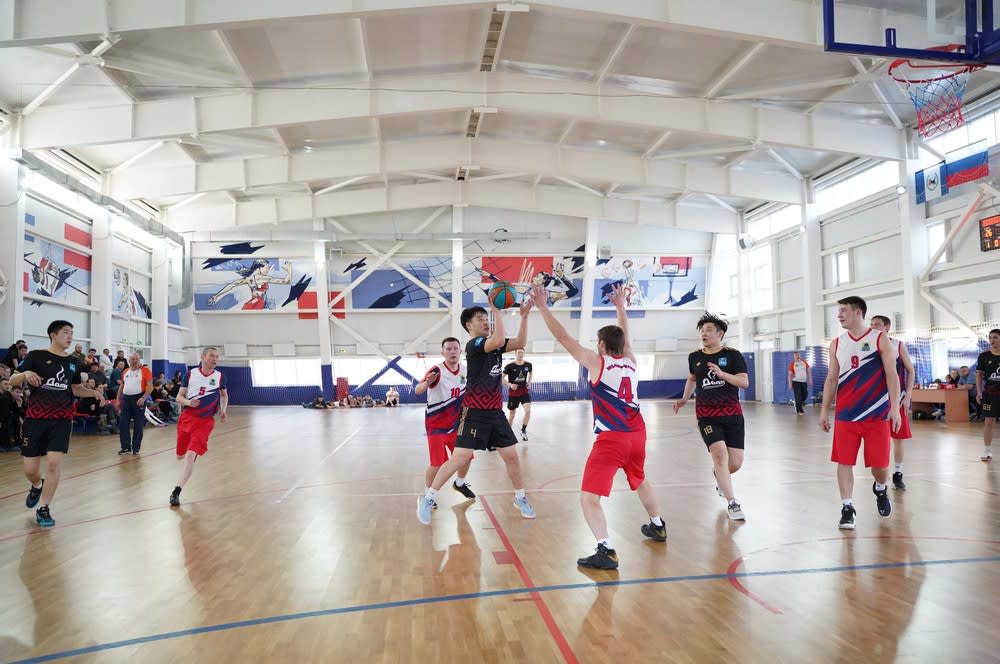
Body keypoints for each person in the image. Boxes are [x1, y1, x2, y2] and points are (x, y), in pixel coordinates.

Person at [531, 284, 666, 570]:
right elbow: (626, 338)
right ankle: (657, 525)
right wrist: (621, 308)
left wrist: (543, 306)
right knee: (640, 479)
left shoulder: (597, 363)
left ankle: (606, 550)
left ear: (602, 345)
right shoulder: (631, 362)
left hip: (612, 439)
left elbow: (563, 337)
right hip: (638, 434)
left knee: (589, 498)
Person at [416, 298, 535, 524]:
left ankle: (520, 497)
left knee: (512, 457)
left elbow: (520, 341)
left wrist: (524, 316)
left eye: (486, 318)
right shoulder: (475, 345)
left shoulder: (495, 345)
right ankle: (429, 498)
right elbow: (497, 339)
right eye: (481, 319)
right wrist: (496, 311)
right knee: (458, 459)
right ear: (469, 325)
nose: (486, 322)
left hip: (495, 413)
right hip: (474, 413)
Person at [9, 320, 106, 527]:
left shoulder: (73, 362)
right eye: (65, 332)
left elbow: (75, 388)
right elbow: (12, 380)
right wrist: (26, 374)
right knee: (30, 470)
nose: (70, 336)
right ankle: (37, 485)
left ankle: (44, 508)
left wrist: (93, 393)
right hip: (35, 419)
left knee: (53, 463)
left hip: (62, 419)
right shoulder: (36, 356)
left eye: (71, 332)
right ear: (53, 335)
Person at [819, 296, 901, 530]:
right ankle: (847, 508)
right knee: (844, 462)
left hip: (877, 414)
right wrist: (824, 411)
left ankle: (881, 488)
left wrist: (895, 408)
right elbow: (831, 379)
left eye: (843, 310)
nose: (839, 315)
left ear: (857, 312)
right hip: (846, 415)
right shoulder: (837, 343)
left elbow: (892, 375)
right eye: (839, 311)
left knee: (880, 467)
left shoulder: (879, 339)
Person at [674, 313, 750, 520]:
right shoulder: (695, 357)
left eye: (708, 330)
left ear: (720, 333)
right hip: (707, 415)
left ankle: (719, 475)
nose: (703, 333)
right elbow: (692, 379)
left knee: (735, 463)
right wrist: (684, 398)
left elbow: (744, 383)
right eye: (702, 330)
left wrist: (723, 374)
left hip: (733, 415)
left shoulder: (733, 356)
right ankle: (733, 503)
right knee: (719, 454)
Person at [414, 337, 475, 504]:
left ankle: (459, 483)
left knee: (466, 457)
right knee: (437, 463)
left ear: (460, 351)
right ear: (443, 353)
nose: (452, 351)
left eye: (455, 348)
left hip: (458, 424)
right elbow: (418, 390)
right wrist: (427, 383)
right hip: (436, 426)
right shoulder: (437, 370)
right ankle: (428, 495)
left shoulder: (466, 371)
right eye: (448, 349)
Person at [170, 347, 228, 506]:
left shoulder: (220, 377)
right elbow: (179, 397)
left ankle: (176, 492)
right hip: (187, 419)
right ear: (203, 357)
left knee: (189, 456)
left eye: (217, 357)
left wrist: (223, 409)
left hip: (205, 422)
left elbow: (224, 395)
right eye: (212, 356)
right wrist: (188, 402)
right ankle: (189, 454)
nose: (215, 359)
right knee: (180, 456)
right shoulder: (190, 374)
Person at [870, 315, 914, 491]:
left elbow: (910, 370)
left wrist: (908, 394)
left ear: (887, 327)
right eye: (871, 324)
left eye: (877, 324)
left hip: (896, 399)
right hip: (875, 401)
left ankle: (898, 473)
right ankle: (881, 476)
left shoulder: (897, 345)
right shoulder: (866, 345)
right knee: (878, 440)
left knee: (898, 438)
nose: (873, 327)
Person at [116, 352, 153, 455]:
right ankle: (125, 447)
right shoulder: (125, 371)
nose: (135, 361)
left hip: (139, 399)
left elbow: (150, 386)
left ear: (139, 360)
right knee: (123, 423)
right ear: (129, 361)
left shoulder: (145, 371)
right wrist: (118, 399)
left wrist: (143, 397)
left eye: (137, 359)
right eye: (132, 359)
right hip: (126, 399)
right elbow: (122, 386)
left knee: (138, 424)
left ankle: (136, 448)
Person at [976, 328, 1000, 461]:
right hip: (991, 394)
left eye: (995, 337)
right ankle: (987, 450)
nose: (992, 340)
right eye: (990, 337)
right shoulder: (984, 356)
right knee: (989, 421)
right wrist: (979, 391)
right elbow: (979, 374)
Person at [503, 349, 533, 440]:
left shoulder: (528, 365)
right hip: (513, 393)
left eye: (522, 353)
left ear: (524, 354)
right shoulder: (510, 366)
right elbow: (501, 377)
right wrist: (510, 384)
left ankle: (523, 430)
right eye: (518, 353)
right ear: (515, 354)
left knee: (528, 410)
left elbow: (531, 372)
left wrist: (529, 382)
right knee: (512, 413)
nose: (520, 354)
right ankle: (507, 433)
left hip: (524, 392)